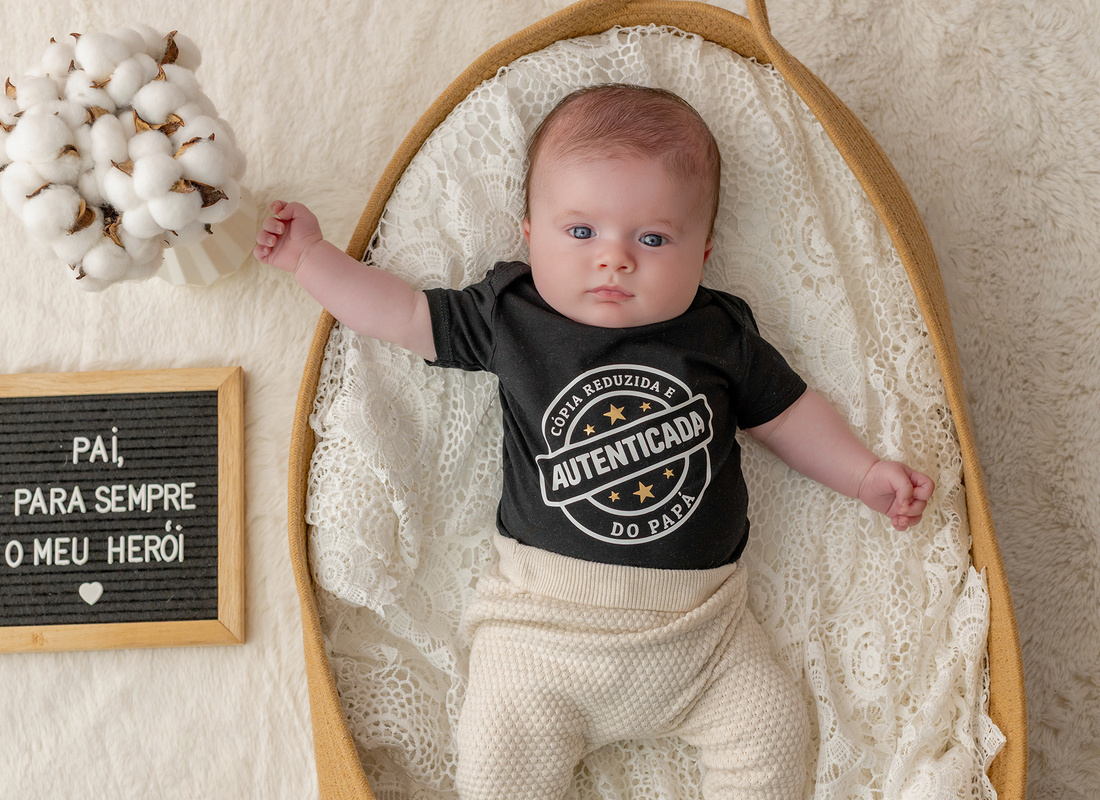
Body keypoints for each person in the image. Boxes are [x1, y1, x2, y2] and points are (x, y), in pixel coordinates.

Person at [256, 84, 934, 799]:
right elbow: (400, 315)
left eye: (652, 239)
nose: (614, 260)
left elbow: (789, 414)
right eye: (581, 233)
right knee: (498, 750)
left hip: (703, 638)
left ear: (702, 252)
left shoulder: (717, 333)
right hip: (544, 636)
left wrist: (862, 474)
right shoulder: (514, 316)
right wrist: (311, 259)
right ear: (529, 233)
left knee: (770, 726)